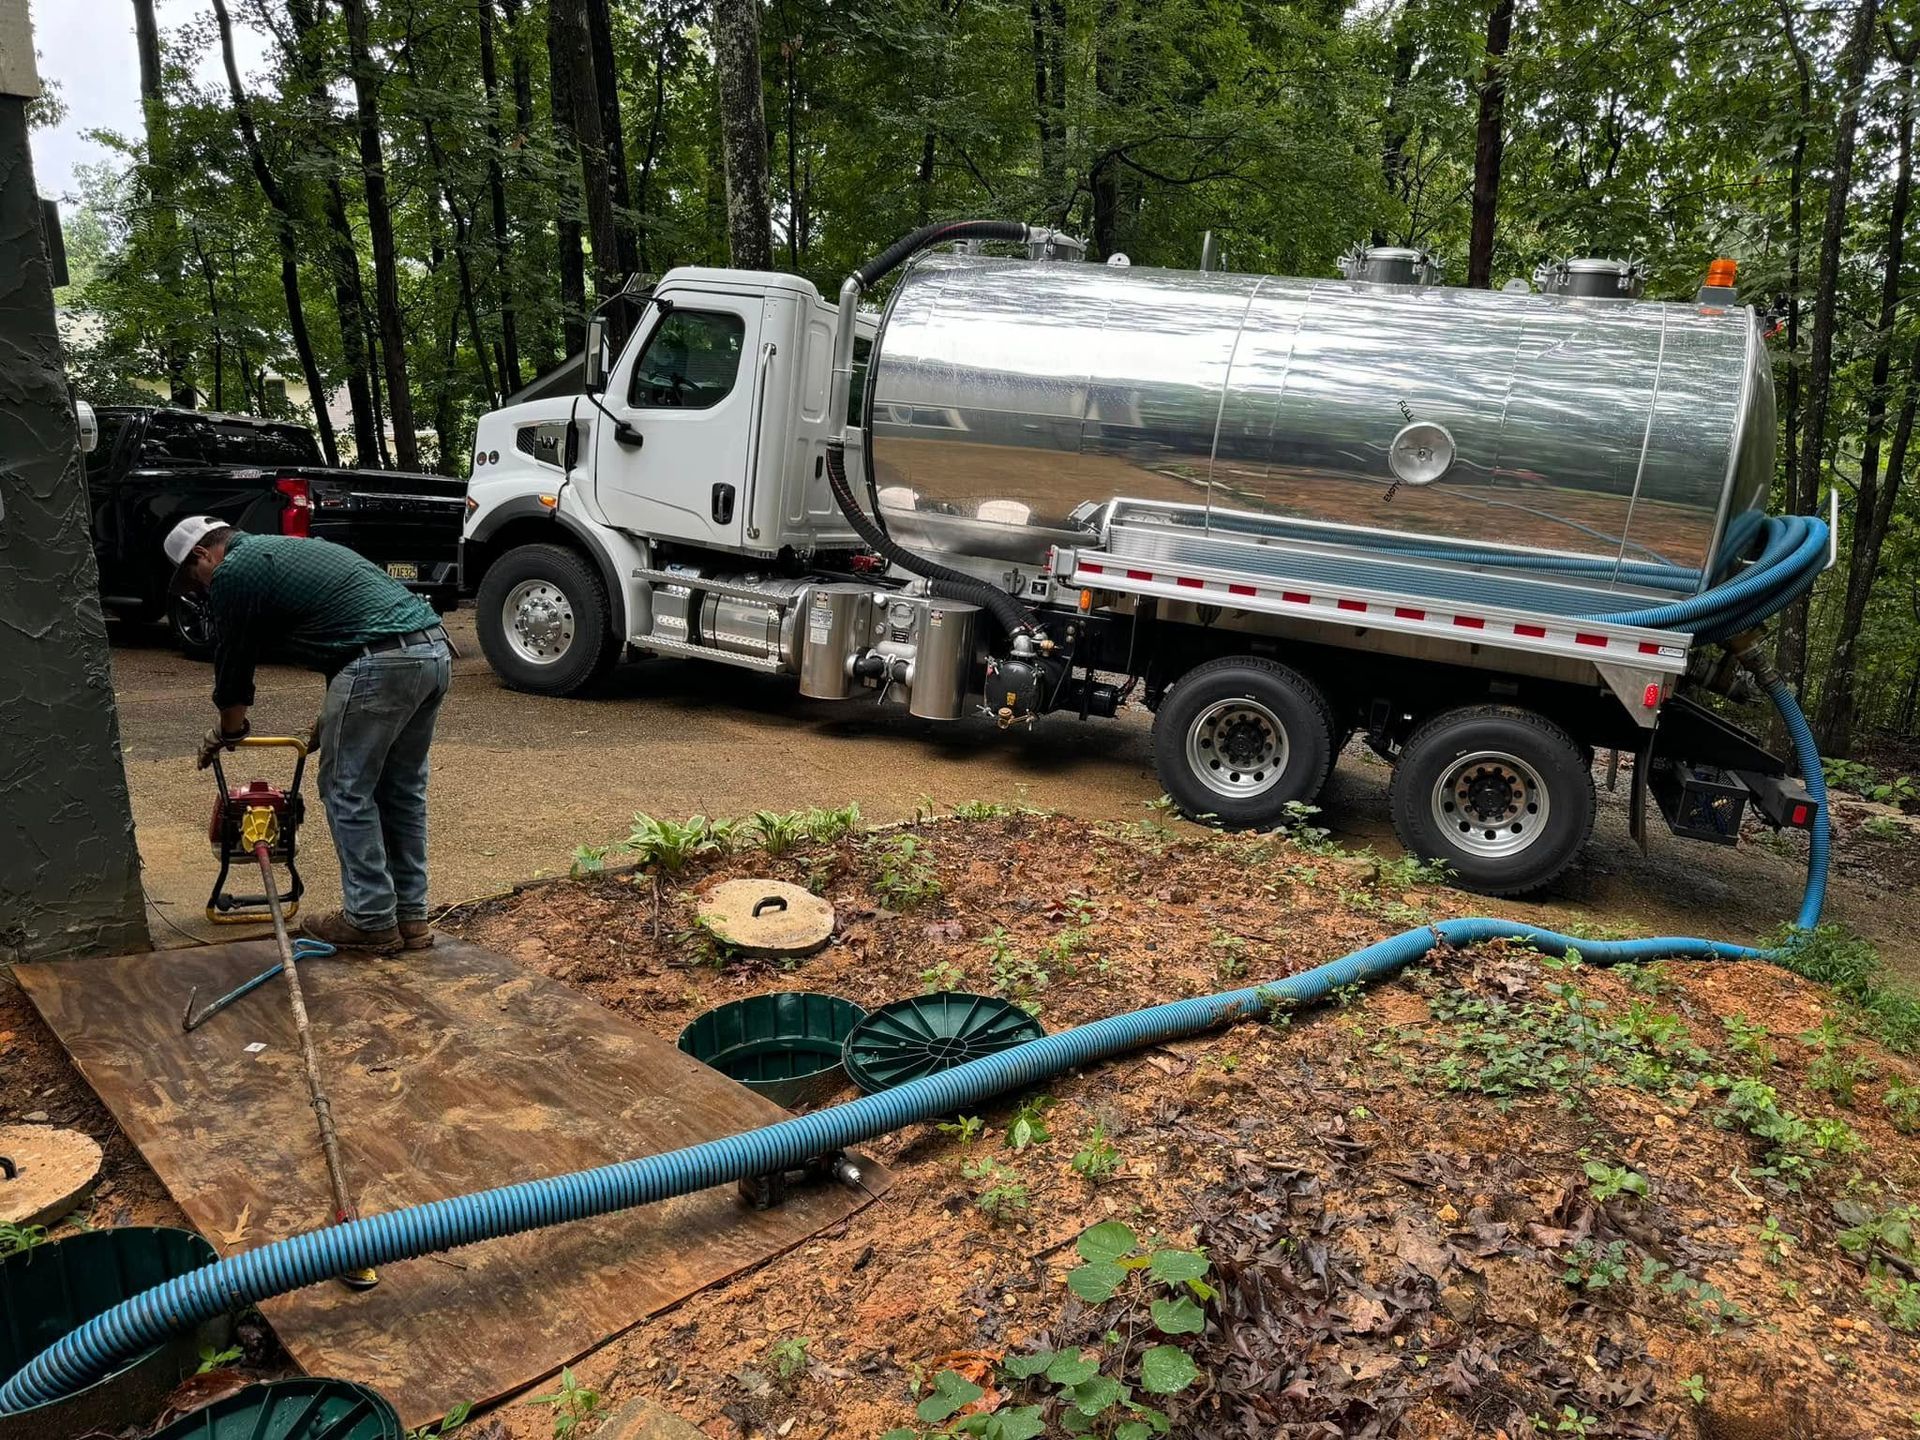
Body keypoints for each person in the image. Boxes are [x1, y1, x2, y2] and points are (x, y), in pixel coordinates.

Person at [164, 515, 453, 954]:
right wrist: (325, 722)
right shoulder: (286, 552)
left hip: (380, 662)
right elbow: (344, 635)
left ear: (203, 554)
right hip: (431, 652)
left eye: (194, 577)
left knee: (346, 790)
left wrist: (230, 730)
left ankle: (372, 918)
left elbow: (234, 663)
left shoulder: (233, 573)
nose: (202, 588)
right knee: (401, 792)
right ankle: (411, 919)